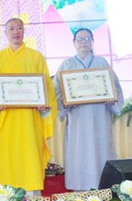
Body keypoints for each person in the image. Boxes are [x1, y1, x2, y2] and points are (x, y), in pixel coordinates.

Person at [0, 18, 57, 195]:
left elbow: (47, 86)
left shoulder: (36, 57)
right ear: (5, 32)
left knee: (30, 154)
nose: (16, 32)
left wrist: (44, 104)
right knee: (9, 156)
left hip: (30, 118)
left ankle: (32, 196)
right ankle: (7, 197)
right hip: (6, 120)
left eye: (19, 28)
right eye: (12, 29)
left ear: (24, 31)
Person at [53, 28, 124, 191]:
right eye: (79, 39)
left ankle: (104, 188)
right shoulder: (67, 65)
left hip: (100, 116)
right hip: (78, 118)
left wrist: (111, 98)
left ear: (92, 42)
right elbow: (56, 92)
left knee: (102, 149)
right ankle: (81, 189)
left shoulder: (102, 63)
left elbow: (115, 88)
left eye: (87, 39)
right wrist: (64, 102)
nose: (83, 42)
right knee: (79, 151)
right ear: (74, 43)